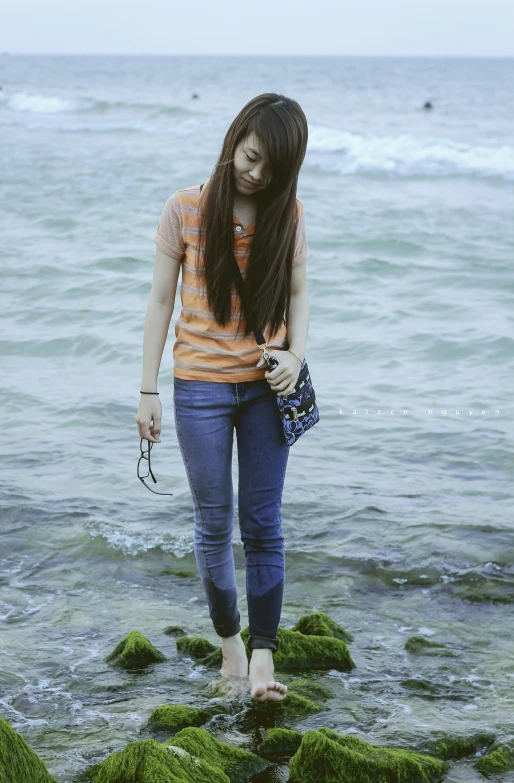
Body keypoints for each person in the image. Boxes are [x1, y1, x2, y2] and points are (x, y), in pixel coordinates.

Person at [136, 93, 311, 703]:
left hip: (266, 389)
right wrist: (148, 390)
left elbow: (297, 293)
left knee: (263, 524)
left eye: (270, 168)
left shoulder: (287, 215)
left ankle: (264, 657)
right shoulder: (184, 209)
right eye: (251, 156)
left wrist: (295, 354)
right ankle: (230, 646)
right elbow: (160, 303)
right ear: (236, 137)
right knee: (214, 523)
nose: (255, 173)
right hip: (200, 388)